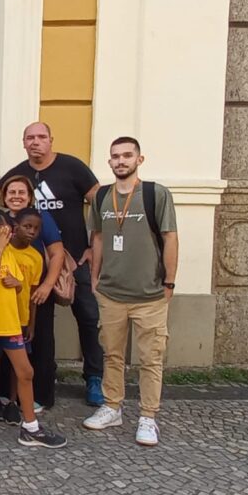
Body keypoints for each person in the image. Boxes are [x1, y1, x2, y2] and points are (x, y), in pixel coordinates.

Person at [0, 122, 105, 407]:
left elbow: (101, 204)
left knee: (88, 318)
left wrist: (95, 246)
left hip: (75, 258)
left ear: (51, 140)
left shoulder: (72, 167)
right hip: (30, 271)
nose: (36, 142)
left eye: (41, 137)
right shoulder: (19, 173)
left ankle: (93, 378)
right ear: (23, 142)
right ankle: (22, 386)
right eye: (30, 137)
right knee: (33, 329)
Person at [83, 137, 178, 447]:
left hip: (150, 293)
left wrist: (169, 283)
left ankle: (148, 416)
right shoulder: (101, 198)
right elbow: (97, 238)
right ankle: (112, 407)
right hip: (111, 293)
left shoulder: (154, 194)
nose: (120, 161)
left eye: (127, 155)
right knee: (111, 354)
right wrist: (94, 277)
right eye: (115, 156)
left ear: (140, 159)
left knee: (151, 358)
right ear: (109, 162)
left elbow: (170, 237)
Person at [0, 210, 66, 449]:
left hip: (10, 323)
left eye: (7, 232)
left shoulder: (11, 254)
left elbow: (19, 285)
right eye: (0, 232)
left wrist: (18, 284)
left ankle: (30, 426)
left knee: (25, 371)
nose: (6, 236)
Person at [0, 175, 66, 411]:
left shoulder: (41, 218)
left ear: (30, 197)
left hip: (36, 291)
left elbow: (57, 253)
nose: (16, 196)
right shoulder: (0, 220)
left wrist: (47, 285)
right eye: (11, 192)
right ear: (4, 196)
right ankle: (8, 398)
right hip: (6, 295)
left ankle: (40, 396)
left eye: (21, 192)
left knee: (39, 344)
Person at [0, 209, 44, 424]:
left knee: (17, 364)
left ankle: (12, 401)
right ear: (15, 226)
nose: (32, 232)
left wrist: (31, 323)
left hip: (20, 316)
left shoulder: (36, 258)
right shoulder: (2, 250)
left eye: (36, 229)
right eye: (27, 226)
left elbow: (32, 294)